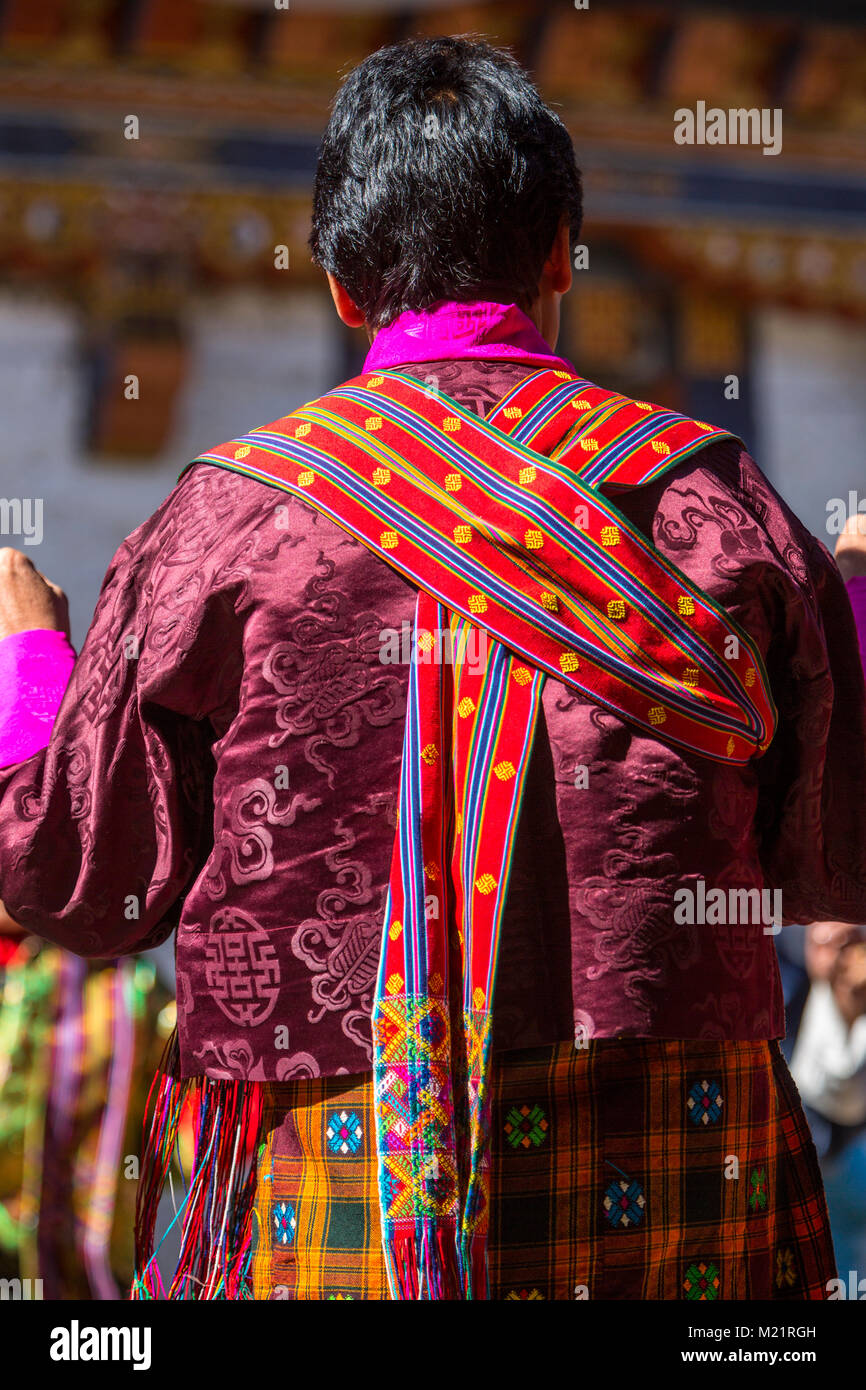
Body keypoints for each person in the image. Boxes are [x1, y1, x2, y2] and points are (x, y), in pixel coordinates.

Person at [1, 35, 866, 1301]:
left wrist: (31, 657)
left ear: (345, 285)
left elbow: (72, 879)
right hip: (678, 1188)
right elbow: (830, 856)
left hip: (338, 1198)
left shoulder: (225, 524)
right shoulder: (713, 506)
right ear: (562, 250)